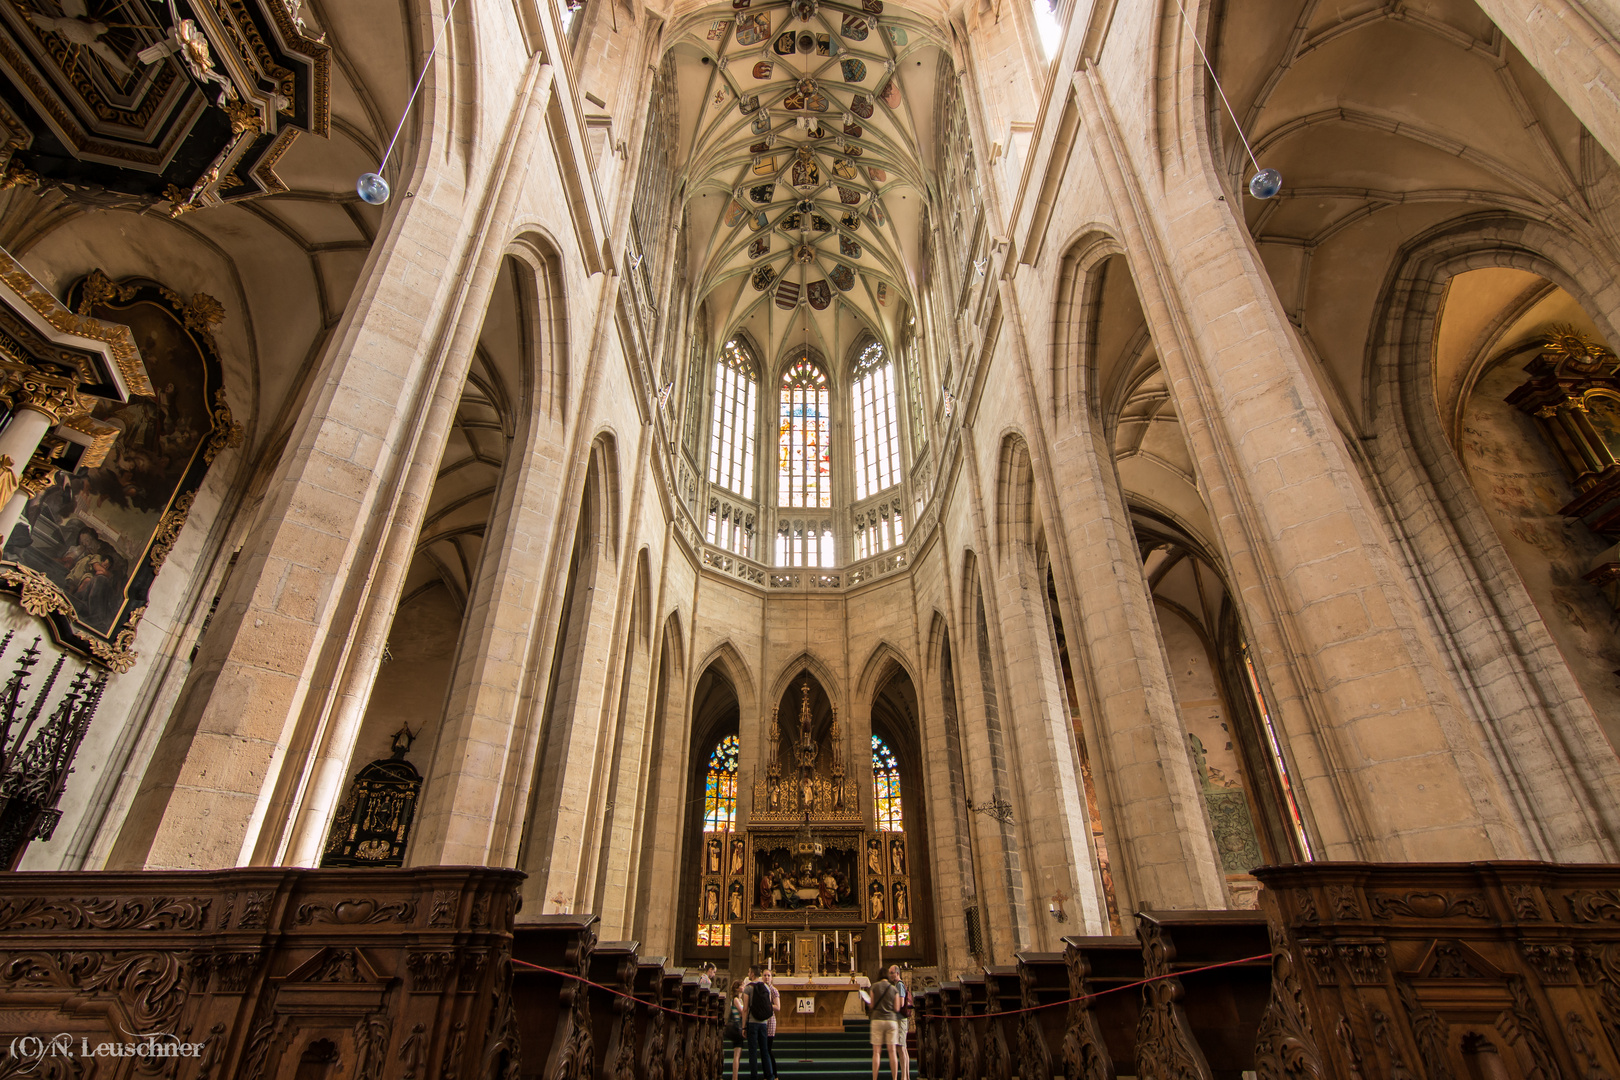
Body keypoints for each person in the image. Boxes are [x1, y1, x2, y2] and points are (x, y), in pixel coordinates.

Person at [867, 964, 902, 1080]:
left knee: (876, 1052)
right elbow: (897, 1008)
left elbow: (871, 1005)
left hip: (877, 1020)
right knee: (892, 1051)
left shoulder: (874, 987)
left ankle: (875, 1078)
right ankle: (895, 1078)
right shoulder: (894, 989)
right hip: (891, 1021)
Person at [745, 965, 778, 1080]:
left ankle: (754, 1076)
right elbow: (768, 1006)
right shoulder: (767, 988)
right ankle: (770, 1076)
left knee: (753, 1051)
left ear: (752, 974)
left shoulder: (748, 988)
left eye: (749, 971)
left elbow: (745, 1009)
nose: (748, 973)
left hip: (752, 1022)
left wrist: (744, 1026)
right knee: (765, 1051)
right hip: (764, 1023)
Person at [890, 966, 911, 1079]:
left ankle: (903, 1077)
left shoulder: (899, 984)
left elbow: (901, 1003)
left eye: (892, 973)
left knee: (901, 1048)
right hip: (899, 1019)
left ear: (897, 973)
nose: (890, 975)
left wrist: (891, 1006)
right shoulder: (897, 985)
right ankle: (906, 1076)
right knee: (903, 1048)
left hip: (900, 1019)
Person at [730, 973, 751, 1080]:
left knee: (738, 1054)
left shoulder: (740, 999)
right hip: (737, 1028)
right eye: (742, 985)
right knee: (736, 1055)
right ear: (738, 989)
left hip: (739, 1027)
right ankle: (735, 1077)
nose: (744, 987)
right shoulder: (736, 999)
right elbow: (742, 1012)